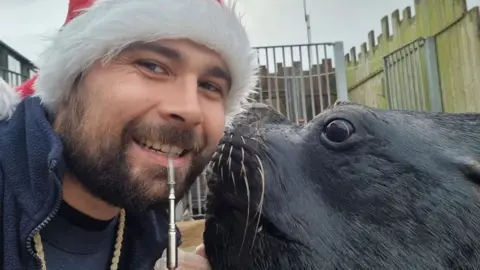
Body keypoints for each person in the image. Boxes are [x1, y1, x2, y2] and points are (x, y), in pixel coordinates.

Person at [0, 0, 257, 269]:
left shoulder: (154, 238)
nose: (190, 109)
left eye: (209, 86)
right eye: (152, 66)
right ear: (72, 79)